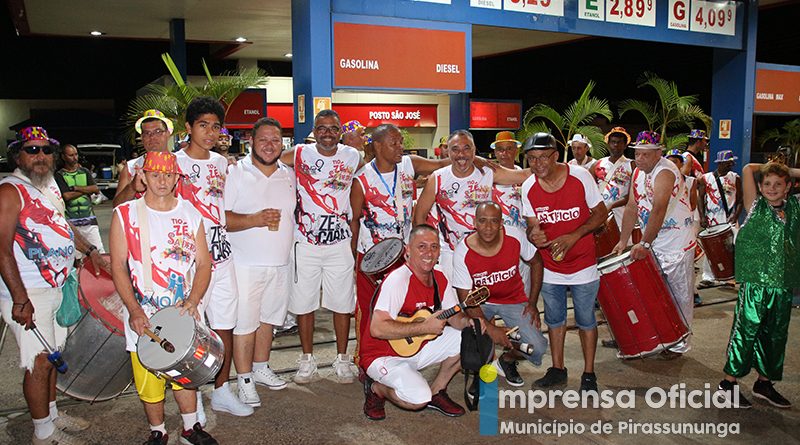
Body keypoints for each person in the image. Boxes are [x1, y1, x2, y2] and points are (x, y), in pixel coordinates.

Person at [109, 151, 217, 445]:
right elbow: (118, 266)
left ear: (176, 178)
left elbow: (204, 264)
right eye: (154, 174)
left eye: (168, 175)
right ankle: (158, 431)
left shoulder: (190, 213)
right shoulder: (125, 214)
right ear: (142, 176)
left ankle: (190, 428)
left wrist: (193, 300)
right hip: (143, 311)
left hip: (182, 310)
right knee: (148, 375)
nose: (161, 181)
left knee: (186, 371)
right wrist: (133, 310)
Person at [0, 126, 94, 445]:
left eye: (46, 150)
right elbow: (1, 249)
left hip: (56, 286)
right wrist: (19, 299)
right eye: (32, 150)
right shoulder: (10, 190)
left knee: (53, 354)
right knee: (38, 362)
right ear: (18, 156)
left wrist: (91, 252)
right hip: (29, 292)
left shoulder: (46, 185)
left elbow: (62, 226)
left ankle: (52, 415)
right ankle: (43, 433)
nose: (41, 156)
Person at [349, 123, 454, 370]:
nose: (400, 147)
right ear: (377, 146)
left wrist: (475, 159)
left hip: (404, 256)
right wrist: (354, 259)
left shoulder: (409, 164)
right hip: (373, 259)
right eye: (394, 143)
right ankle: (366, 361)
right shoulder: (361, 180)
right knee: (370, 310)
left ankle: (401, 355)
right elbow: (354, 220)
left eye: (400, 142)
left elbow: (442, 164)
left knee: (402, 309)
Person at [176, 97, 253, 416]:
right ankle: (192, 398)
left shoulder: (222, 163)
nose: (210, 132)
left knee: (225, 324)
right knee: (190, 329)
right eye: (203, 125)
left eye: (215, 126)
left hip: (223, 256)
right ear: (189, 127)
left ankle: (221, 389)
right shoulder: (173, 163)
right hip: (190, 261)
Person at [278, 109, 364, 384]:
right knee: (304, 304)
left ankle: (342, 359)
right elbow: (268, 160)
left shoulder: (353, 156)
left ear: (340, 132)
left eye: (333, 128)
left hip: (340, 243)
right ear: (314, 131)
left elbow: (366, 179)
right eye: (322, 128)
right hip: (305, 243)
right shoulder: (299, 153)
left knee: (342, 304)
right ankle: (307, 360)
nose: (328, 133)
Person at [521, 132, 607, 392]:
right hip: (550, 267)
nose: (537, 164)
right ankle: (558, 369)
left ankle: (589, 374)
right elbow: (532, 226)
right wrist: (533, 235)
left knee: (586, 319)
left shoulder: (579, 176)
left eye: (543, 157)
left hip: (583, 264)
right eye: (531, 159)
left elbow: (601, 214)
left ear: (556, 156)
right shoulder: (528, 187)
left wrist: (574, 235)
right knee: (555, 319)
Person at [360, 224, 472, 420]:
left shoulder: (440, 277)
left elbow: (453, 316)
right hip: (383, 355)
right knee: (417, 399)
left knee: (469, 339)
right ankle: (377, 389)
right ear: (408, 251)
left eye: (434, 247)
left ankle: (437, 391)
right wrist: (424, 327)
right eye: (422, 246)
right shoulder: (398, 280)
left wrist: (469, 322)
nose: (429, 253)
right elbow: (377, 328)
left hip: (418, 346)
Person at [717, 162, 800, 409]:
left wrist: (788, 173)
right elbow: (748, 169)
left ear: (788, 187)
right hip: (755, 284)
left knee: (775, 335)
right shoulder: (755, 205)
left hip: (782, 285)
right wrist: (782, 168)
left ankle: (764, 383)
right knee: (746, 332)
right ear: (760, 187)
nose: (772, 188)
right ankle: (728, 384)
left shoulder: (795, 206)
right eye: (767, 184)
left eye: (778, 184)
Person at [225, 117, 295, 406]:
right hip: (245, 264)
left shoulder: (288, 175)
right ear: (251, 141)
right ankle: (244, 379)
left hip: (280, 262)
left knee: (269, 320)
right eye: (263, 139)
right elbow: (222, 219)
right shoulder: (235, 173)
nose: (269, 145)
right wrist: (255, 219)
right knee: (245, 325)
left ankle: (261, 367)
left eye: (275, 140)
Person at [612, 131, 696, 358]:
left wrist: (644, 244)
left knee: (679, 294)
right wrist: (623, 240)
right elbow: (632, 206)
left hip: (676, 242)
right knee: (656, 292)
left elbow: (659, 208)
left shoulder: (665, 172)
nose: (639, 159)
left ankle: (679, 343)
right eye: (637, 154)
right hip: (655, 241)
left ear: (659, 153)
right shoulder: (638, 172)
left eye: (645, 155)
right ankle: (662, 335)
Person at [452, 202, 548, 387]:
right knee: (472, 337)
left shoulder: (516, 236)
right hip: (479, 304)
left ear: (501, 223)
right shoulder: (462, 252)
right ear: (474, 223)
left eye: (494, 221)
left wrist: (532, 303)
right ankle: (480, 370)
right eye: (482, 221)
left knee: (537, 347)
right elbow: (466, 299)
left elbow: (537, 262)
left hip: (513, 299)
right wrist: (490, 328)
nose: (488, 227)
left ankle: (507, 360)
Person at [413, 130, 529, 280]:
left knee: (484, 293)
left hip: (484, 250)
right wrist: (425, 249)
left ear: (474, 150)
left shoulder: (487, 172)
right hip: (451, 252)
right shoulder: (438, 178)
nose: (461, 154)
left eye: (466, 148)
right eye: (455, 149)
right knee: (452, 295)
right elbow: (419, 217)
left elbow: (523, 175)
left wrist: (555, 168)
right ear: (448, 152)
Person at [490, 131, 534, 295]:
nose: (505, 153)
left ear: (516, 151)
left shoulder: (526, 177)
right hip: (495, 240)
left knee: (522, 286)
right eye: (500, 150)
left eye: (509, 149)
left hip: (522, 239)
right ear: (495, 152)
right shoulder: (487, 177)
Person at [697, 149, 743, 287]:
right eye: (728, 163)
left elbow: (740, 199)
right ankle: (708, 277)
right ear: (720, 163)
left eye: (731, 163)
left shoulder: (735, 178)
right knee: (711, 248)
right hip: (712, 218)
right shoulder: (706, 178)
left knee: (733, 247)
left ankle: (730, 275)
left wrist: (735, 215)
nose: (731, 165)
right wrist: (702, 216)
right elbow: (700, 198)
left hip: (729, 219)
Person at [114, 109, 175, 207]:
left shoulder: (180, 163)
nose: (152, 137)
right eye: (147, 133)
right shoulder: (131, 167)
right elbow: (117, 206)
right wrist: (132, 187)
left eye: (158, 131)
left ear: (168, 133)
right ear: (141, 137)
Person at [55, 144, 105, 260]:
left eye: (76, 154)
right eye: (71, 155)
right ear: (63, 156)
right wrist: (86, 190)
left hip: (89, 220)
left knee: (99, 253)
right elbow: (67, 196)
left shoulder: (84, 171)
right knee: (77, 258)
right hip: (72, 222)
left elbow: (95, 189)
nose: (75, 158)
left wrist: (76, 188)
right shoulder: (59, 175)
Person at [666, 149, 702, 306]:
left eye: (676, 161)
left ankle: (692, 292)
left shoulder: (690, 181)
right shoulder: (662, 179)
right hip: (668, 225)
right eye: (670, 161)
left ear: (681, 164)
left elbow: (692, 205)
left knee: (688, 260)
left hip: (687, 223)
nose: (672, 164)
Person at [593, 127, 634, 227]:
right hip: (599, 212)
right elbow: (589, 189)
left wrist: (611, 205)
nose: (616, 145)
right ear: (608, 144)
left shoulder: (632, 165)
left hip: (622, 213)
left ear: (625, 145)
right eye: (613, 142)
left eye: (619, 142)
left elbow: (632, 195)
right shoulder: (598, 164)